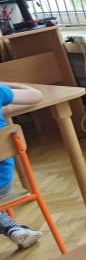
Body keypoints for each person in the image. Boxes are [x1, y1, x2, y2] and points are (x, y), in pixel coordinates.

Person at [0, 82, 43, 249]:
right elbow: (36, 95)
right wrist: (7, 83)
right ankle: (12, 228)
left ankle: (11, 228)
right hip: (3, 182)